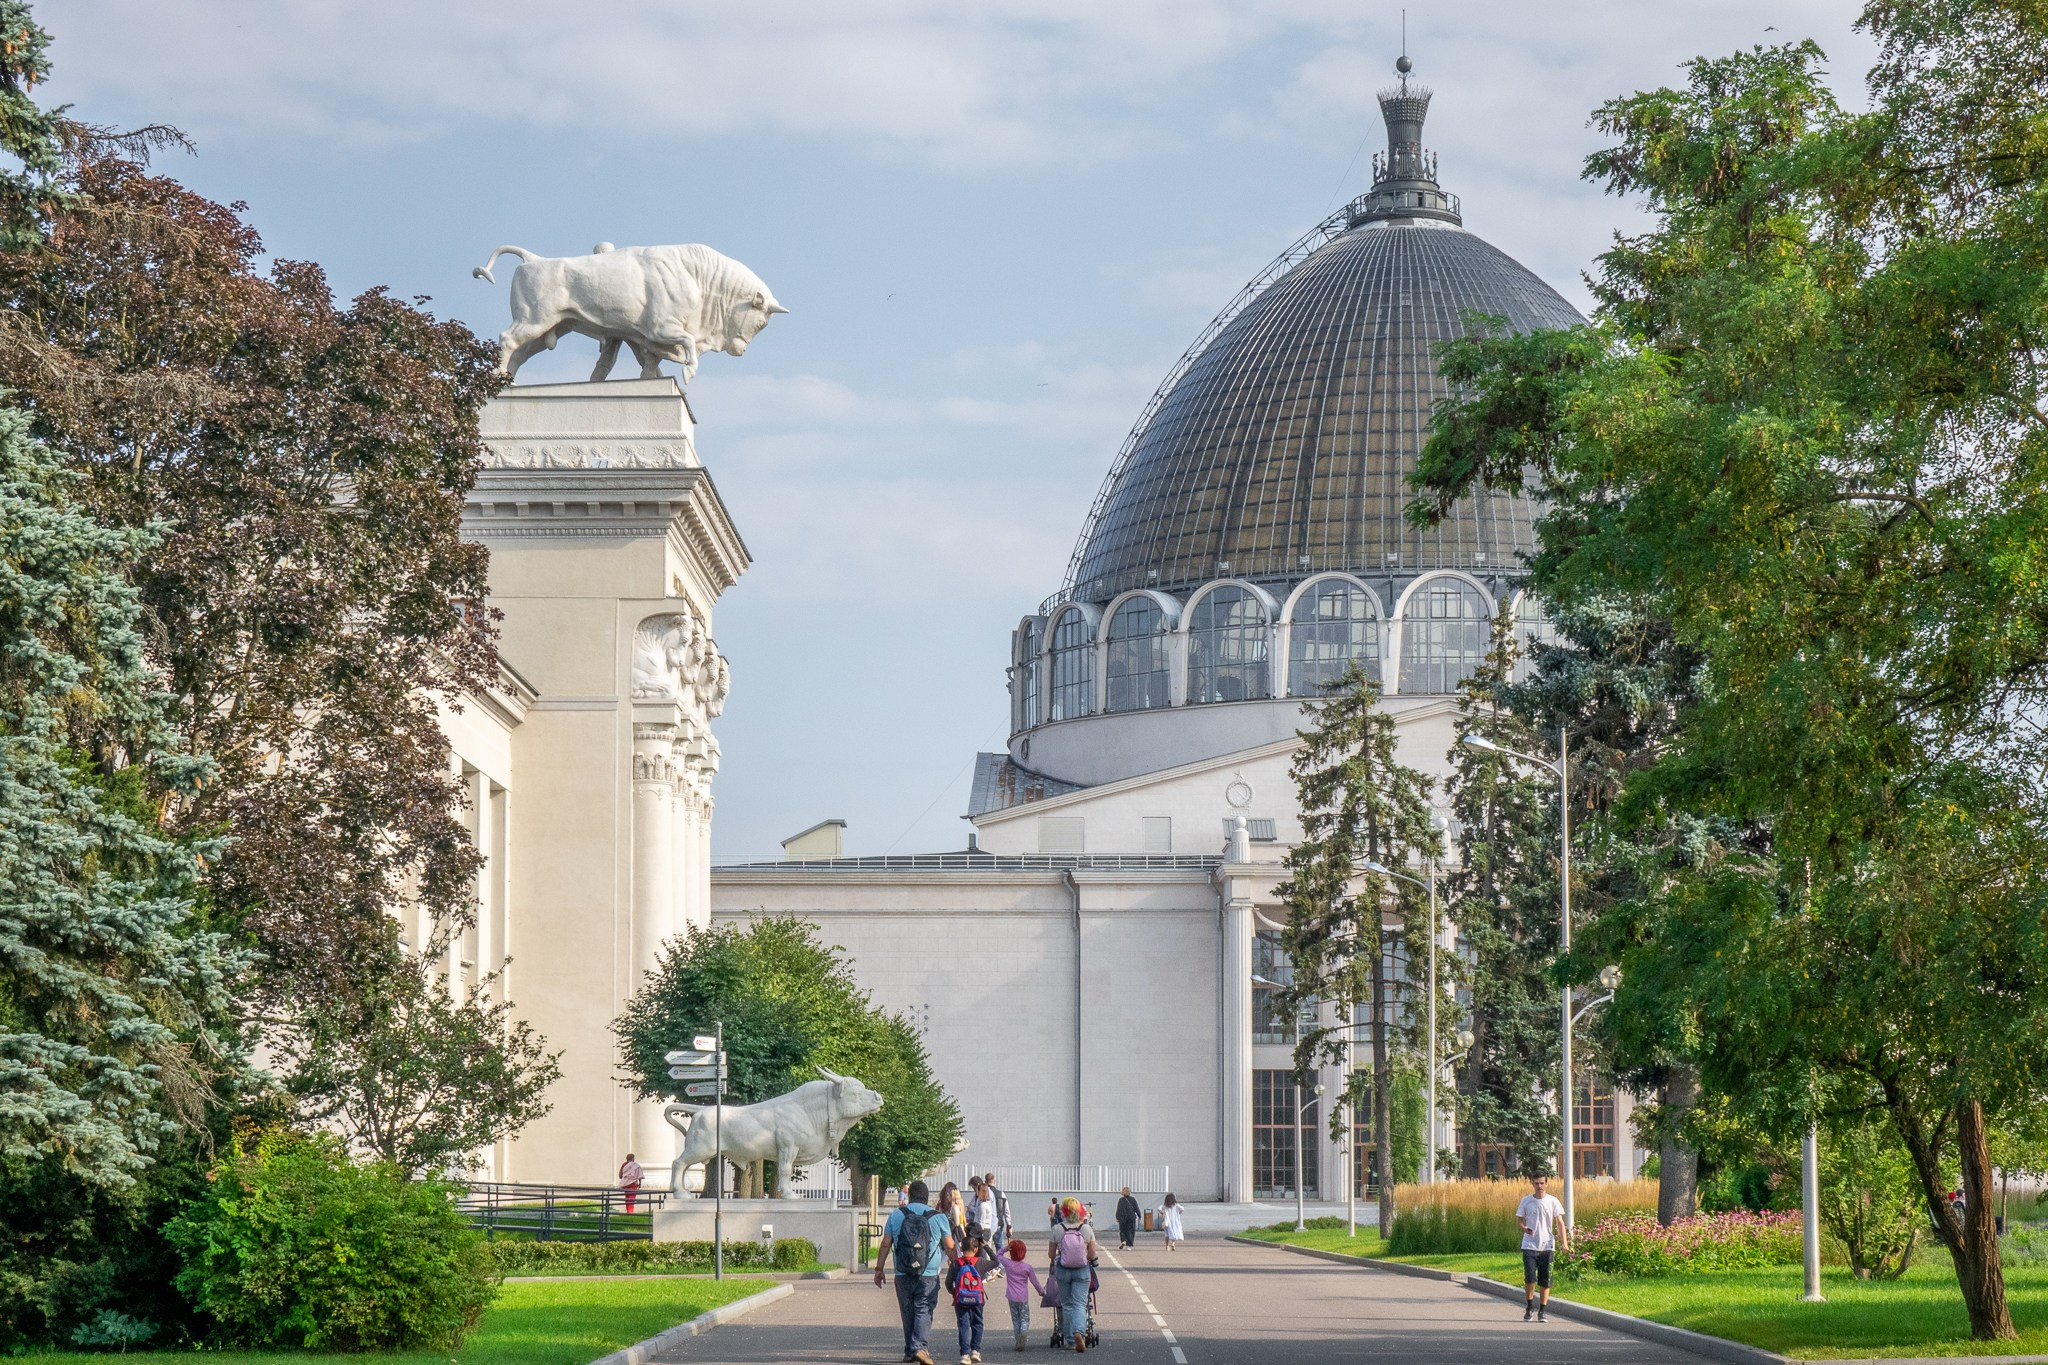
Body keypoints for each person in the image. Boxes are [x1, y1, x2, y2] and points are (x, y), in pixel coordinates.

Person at [875, 1178, 956, 1364]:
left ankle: (910, 1351)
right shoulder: (939, 1217)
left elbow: (886, 1243)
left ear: (909, 1196)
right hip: (929, 1274)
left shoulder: (896, 1215)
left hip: (903, 1273)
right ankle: (920, 1347)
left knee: (907, 1310)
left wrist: (879, 1269)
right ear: (927, 1198)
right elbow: (950, 1247)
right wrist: (957, 1265)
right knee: (924, 1308)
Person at [1515, 1171, 1569, 1323]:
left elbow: (1560, 1223)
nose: (1539, 1186)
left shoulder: (1553, 1201)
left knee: (1545, 1281)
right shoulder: (1526, 1201)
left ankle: (1542, 1311)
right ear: (1532, 1183)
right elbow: (1519, 1220)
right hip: (1529, 1245)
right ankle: (1530, 1306)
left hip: (1547, 1246)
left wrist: (1564, 1243)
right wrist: (1524, 1228)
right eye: (1536, 1183)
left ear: (1547, 1183)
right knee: (1530, 1278)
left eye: (1542, 1183)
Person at [1046, 1196, 1097, 1353]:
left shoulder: (1057, 1229)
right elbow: (1092, 1253)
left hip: (1063, 1269)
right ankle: (1079, 1332)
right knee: (1080, 1303)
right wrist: (1086, 1258)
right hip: (1081, 1270)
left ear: (1064, 1212)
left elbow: (1051, 1254)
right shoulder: (1086, 1229)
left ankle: (1069, 1340)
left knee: (1067, 1304)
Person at [947, 1227, 989, 1364]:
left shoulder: (955, 1263)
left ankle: (965, 1354)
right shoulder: (981, 1262)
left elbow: (948, 1283)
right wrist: (986, 1246)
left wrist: (955, 1293)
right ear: (976, 1249)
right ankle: (975, 1351)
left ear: (961, 1247)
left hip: (961, 1299)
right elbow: (996, 1261)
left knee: (963, 1325)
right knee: (978, 1323)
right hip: (977, 1299)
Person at [997, 1236, 1046, 1353]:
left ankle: (1018, 1340)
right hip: (1023, 1297)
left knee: (1015, 1319)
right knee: (1024, 1318)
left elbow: (998, 1255)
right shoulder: (1027, 1267)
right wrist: (1042, 1291)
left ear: (1011, 1252)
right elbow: (1035, 1282)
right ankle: (1024, 1332)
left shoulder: (1008, 1264)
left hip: (1011, 1296)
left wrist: (1005, 1248)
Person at [983, 1172, 1012, 1244]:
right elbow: (1006, 1211)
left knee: (987, 1247)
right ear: (994, 1181)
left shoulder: (983, 1194)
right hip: (999, 1224)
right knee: (999, 1247)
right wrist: (1009, 1224)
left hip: (987, 1225)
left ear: (985, 1181)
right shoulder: (1001, 1194)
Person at [971, 1177, 999, 1244]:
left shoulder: (983, 1205)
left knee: (984, 1252)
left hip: (984, 1231)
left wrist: (977, 1234)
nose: (975, 1192)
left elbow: (981, 1222)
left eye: (975, 1189)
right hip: (987, 1229)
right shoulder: (984, 1203)